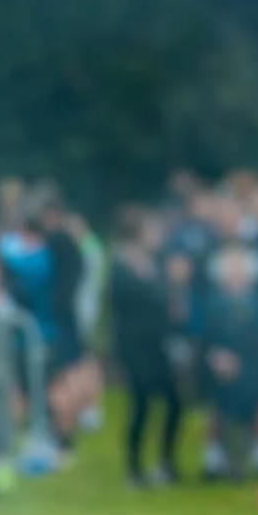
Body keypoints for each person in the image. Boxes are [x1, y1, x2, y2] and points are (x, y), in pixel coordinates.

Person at [109, 207, 184, 488]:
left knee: (174, 402)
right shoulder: (121, 266)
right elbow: (130, 301)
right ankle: (135, 468)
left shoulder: (157, 264)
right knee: (140, 405)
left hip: (157, 345)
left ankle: (166, 461)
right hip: (134, 347)